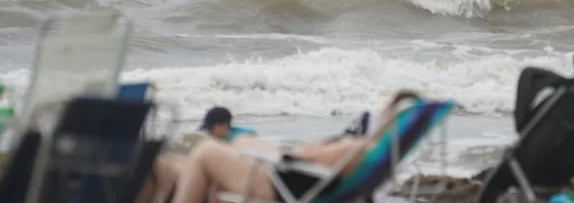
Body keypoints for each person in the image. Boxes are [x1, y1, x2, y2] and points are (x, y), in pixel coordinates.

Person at [170, 90, 422, 203]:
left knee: (204, 152)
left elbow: (302, 157)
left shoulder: (358, 149)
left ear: (391, 117)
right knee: (242, 142)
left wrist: (278, 152)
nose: (379, 110)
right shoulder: (378, 155)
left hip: (281, 182)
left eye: (385, 108)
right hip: (296, 180)